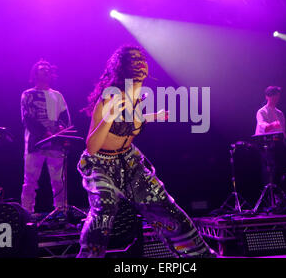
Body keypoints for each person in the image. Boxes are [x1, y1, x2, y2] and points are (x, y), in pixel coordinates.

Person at [77, 45, 215, 258]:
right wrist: (108, 116)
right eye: (134, 60)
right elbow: (92, 146)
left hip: (129, 162)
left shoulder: (137, 97)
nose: (141, 63)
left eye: (142, 59)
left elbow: (129, 123)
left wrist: (154, 116)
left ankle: (199, 257)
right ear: (123, 67)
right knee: (105, 208)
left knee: (164, 207)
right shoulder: (110, 98)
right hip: (100, 163)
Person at [20, 60, 71, 217]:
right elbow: (27, 118)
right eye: (42, 69)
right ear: (35, 73)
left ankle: (61, 210)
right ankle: (26, 213)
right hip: (36, 143)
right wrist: (44, 133)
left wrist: (63, 129)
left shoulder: (57, 95)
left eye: (48, 68)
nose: (46, 71)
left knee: (58, 180)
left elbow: (65, 117)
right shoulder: (28, 94)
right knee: (30, 181)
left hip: (55, 144)